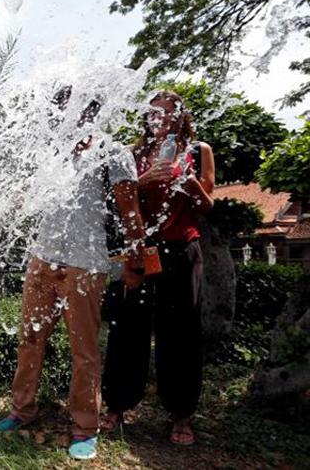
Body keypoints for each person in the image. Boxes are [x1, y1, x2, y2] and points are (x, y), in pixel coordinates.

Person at [0, 95, 146, 461]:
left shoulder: (113, 153)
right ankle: (21, 409)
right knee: (29, 340)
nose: (62, 116)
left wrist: (137, 265)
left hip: (85, 266)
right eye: (59, 110)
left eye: (70, 108)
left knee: (84, 351)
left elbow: (130, 211)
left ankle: (84, 428)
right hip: (42, 261)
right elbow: (23, 198)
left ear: (91, 111)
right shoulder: (53, 157)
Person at [101, 91, 215, 446]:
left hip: (182, 250)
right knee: (126, 327)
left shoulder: (198, 151)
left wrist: (189, 181)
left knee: (181, 331)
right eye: (153, 112)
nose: (160, 118)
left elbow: (207, 205)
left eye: (168, 112)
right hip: (141, 251)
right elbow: (117, 202)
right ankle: (116, 405)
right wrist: (144, 181)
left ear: (181, 116)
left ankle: (181, 413)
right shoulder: (132, 155)